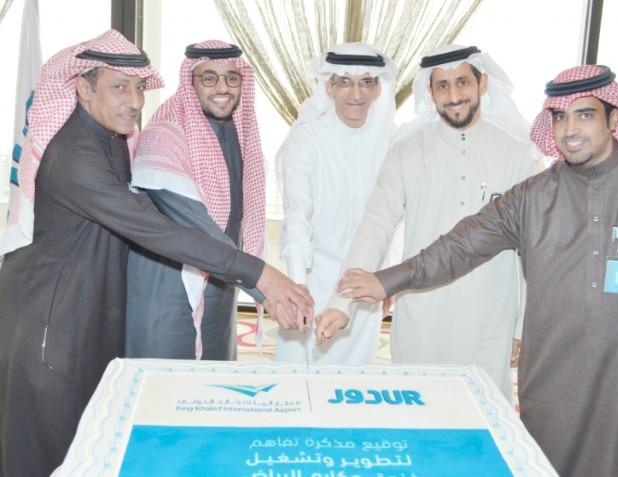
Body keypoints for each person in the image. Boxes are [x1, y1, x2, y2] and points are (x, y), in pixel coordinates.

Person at [0, 30, 313, 477]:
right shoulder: (74, 155)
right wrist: (261, 274)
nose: (134, 101)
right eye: (119, 87)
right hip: (51, 330)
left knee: (96, 447)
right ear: (83, 88)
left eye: (139, 87)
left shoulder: (111, 139)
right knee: (55, 457)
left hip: (87, 314)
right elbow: (156, 230)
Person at [317, 64, 618, 477]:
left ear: (614, 119)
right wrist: (385, 281)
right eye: (561, 117)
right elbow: (461, 246)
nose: (570, 129)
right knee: (542, 462)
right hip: (553, 374)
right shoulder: (534, 196)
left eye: (586, 115)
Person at [319, 45, 542, 397]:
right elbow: (375, 227)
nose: (454, 96)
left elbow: (533, 251)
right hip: (421, 314)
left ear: (482, 84)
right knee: (417, 411)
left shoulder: (520, 156)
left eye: (462, 83)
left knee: (480, 412)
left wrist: (522, 326)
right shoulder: (407, 152)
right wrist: (340, 303)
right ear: (430, 92)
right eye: (443, 86)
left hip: (490, 318)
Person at [126, 40, 265, 360]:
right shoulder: (163, 135)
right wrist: (264, 284)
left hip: (224, 281)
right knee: (168, 377)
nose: (222, 88)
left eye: (231, 78)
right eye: (209, 78)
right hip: (169, 288)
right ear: (190, 82)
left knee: (214, 377)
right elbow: (196, 226)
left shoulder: (237, 131)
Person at [274, 43, 397, 365]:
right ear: (329, 87)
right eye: (345, 82)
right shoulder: (306, 137)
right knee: (297, 378)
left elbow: (396, 217)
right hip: (313, 276)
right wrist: (298, 287)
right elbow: (297, 216)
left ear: (378, 88)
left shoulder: (391, 140)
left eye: (365, 82)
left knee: (351, 382)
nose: (356, 94)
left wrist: (390, 278)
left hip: (365, 282)